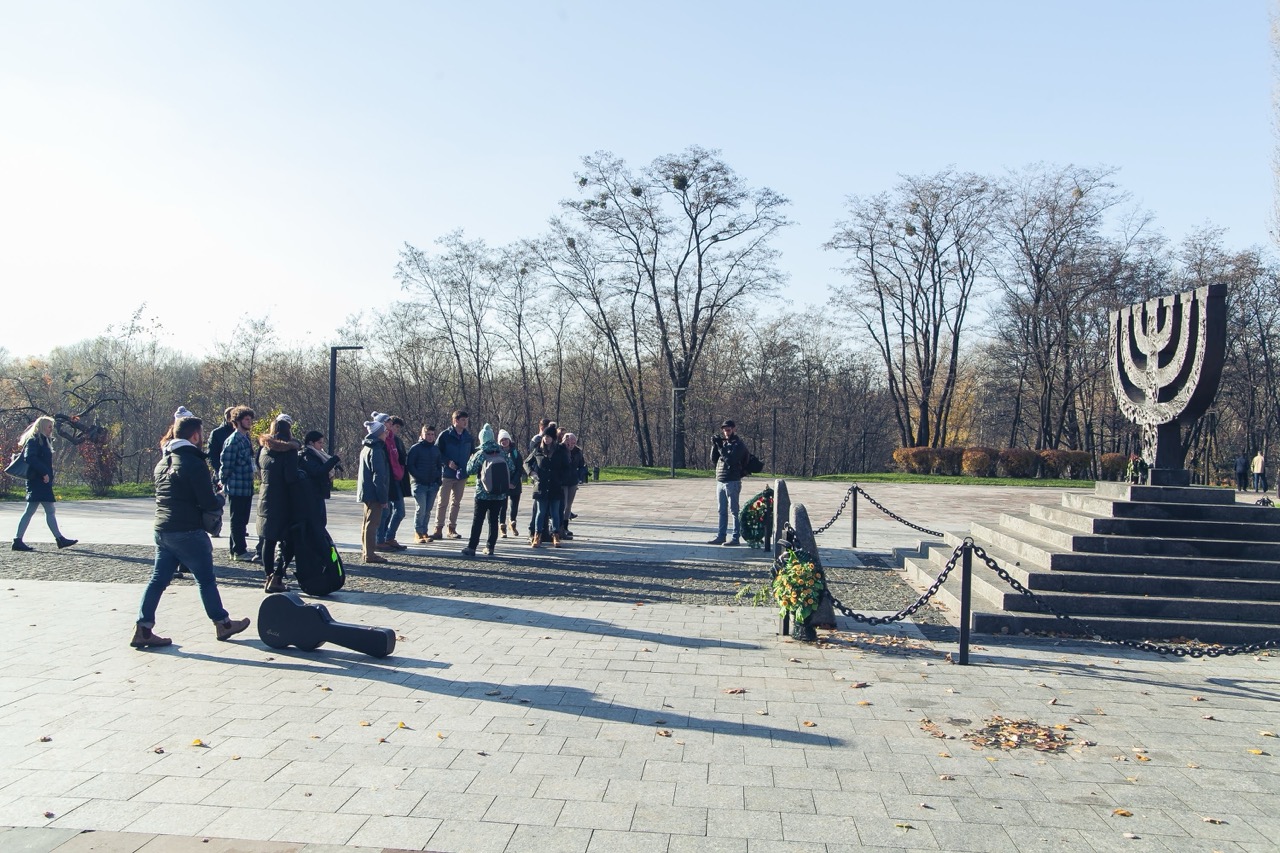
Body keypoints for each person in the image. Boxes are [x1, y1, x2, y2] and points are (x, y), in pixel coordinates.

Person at [132, 414, 250, 648]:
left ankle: (143, 628)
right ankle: (222, 623)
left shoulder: (162, 462)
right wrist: (219, 497)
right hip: (187, 530)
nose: (203, 438)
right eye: (201, 434)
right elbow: (206, 503)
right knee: (205, 580)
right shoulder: (193, 462)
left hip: (163, 529)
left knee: (157, 580)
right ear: (195, 435)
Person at [10, 416, 76, 552]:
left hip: (40, 481)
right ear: (42, 427)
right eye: (49, 426)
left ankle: (18, 540)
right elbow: (30, 458)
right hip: (38, 481)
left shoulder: (42, 440)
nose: (51, 429)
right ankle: (59, 539)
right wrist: (44, 473)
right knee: (48, 511)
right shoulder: (34, 440)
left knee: (31, 511)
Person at [256, 414, 302, 593]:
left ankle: (268, 576)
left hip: (266, 497)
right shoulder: (290, 451)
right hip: (284, 499)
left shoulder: (264, 449)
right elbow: (291, 477)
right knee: (289, 540)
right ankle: (278, 575)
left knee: (269, 540)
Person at [461, 423, 515, 557]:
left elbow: (470, 470)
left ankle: (472, 547)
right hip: (499, 493)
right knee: (494, 520)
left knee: (478, 520)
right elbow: (512, 468)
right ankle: (490, 547)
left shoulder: (481, 453)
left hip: (482, 493)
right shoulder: (502, 452)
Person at [219, 405, 260, 562]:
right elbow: (226, 465)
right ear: (237, 421)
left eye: (250, 419)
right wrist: (224, 483)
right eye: (246, 419)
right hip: (236, 487)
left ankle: (236, 549)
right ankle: (238, 550)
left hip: (246, 486)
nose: (249, 422)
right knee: (237, 520)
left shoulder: (246, 439)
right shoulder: (233, 440)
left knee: (242, 520)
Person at [526, 422, 570, 548]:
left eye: (549, 437)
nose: (546, 439)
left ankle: (555, 535)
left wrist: (561, 479)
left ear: (553, 438)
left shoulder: (560, 451)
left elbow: (567, 467)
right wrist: (532, 473)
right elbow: (527, 462)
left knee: (555, 512)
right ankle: (537, 535)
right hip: (541, 486)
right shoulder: (537, 450)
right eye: (545, 437)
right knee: (540, 512)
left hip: (555, 486)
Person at [708, 419, 750, 546]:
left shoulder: (739, 445)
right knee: (721, 510)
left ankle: (735, 537)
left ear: (733, 429)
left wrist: (720, 447)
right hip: (720, 480)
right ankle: (721, 536)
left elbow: (730, 460)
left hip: (732, 480)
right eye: (724, 430)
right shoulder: (724, 444)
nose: (726, 432)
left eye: (728, 430)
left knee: (734, 511)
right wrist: (715, 445)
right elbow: (713, 459)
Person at [433, 410, 472, 540]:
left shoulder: (468, 437)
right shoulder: (445, 435)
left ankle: (452, 528)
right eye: (462, 420)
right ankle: (438, 528)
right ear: (455, 421)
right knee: (442, 502)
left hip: (462, 475)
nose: (465, 422)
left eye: (466, 420)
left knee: (456, 502)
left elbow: (472, 452)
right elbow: (436, 452)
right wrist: (447, 462)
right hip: (447, 474)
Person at [357, 416, 392, 564]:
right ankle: (370, 554)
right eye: (384, 432)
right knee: (372, 524)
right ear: (378, 434)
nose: (387, 434)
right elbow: (378, 476)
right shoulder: (376, 449)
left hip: (367, 491)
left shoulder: (367, 447)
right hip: (374, 492)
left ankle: (366, 551)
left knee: (367, 523)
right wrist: (383, 498)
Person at [376, 415, 410, 551]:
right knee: (385, 512)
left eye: (394, 426)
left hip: (397, 479)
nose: (393, 429)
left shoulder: (396, 441)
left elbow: (401, 459)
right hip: (387, 481)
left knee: (400, 511)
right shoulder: (382, 441)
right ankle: (380, 539)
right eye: (391, 425)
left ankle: (389, 537)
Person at [406, 425, 442, 543]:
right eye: (427, 434)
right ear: (422, 435)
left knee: (427, 510)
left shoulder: (436, 449)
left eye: (432, 434)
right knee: (420, 509)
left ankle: (425, 532)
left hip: (432, 484)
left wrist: (438, 479)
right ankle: (418, 532)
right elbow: (410, 465)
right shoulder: (415, 448)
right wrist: (418, 477)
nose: (430, 437)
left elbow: (438, 465)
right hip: (419, 484)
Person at [299, 430, 341, 528]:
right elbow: (318, 471)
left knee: (321, 521)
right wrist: (333, 460)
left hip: (318, 492)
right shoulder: (307, 455)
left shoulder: (318, 454)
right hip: (312, 493)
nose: (321, 446)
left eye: (322, 443)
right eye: (319, 443)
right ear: (311, 443)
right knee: (317, 522)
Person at [560, 432, 587, 540]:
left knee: (568, 505)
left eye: (573, 442)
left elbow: (582, 465)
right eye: (569, 442)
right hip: (562, 481)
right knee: (563, 503)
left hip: (573, 480)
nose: (571, 444)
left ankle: (565, 526)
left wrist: (580, 475)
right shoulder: (560, 450)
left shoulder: (578, 451)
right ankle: (559, 526)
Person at [497, 429, 523, 538]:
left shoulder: (516, 453)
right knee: (503, 506)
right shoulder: (497, 453)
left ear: (509, 440)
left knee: (514, 506)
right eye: (502, 440)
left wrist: (514, 482)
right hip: (502, 484)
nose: (504, 441)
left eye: (506, 439)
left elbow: (519, 469)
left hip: (515, 484)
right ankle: (502, 527)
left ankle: (512, 523)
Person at [205, 407, 236, 480]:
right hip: (221, 475)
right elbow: (212, 455)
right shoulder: (216, 433)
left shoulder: (242, 433)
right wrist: (220, 471)